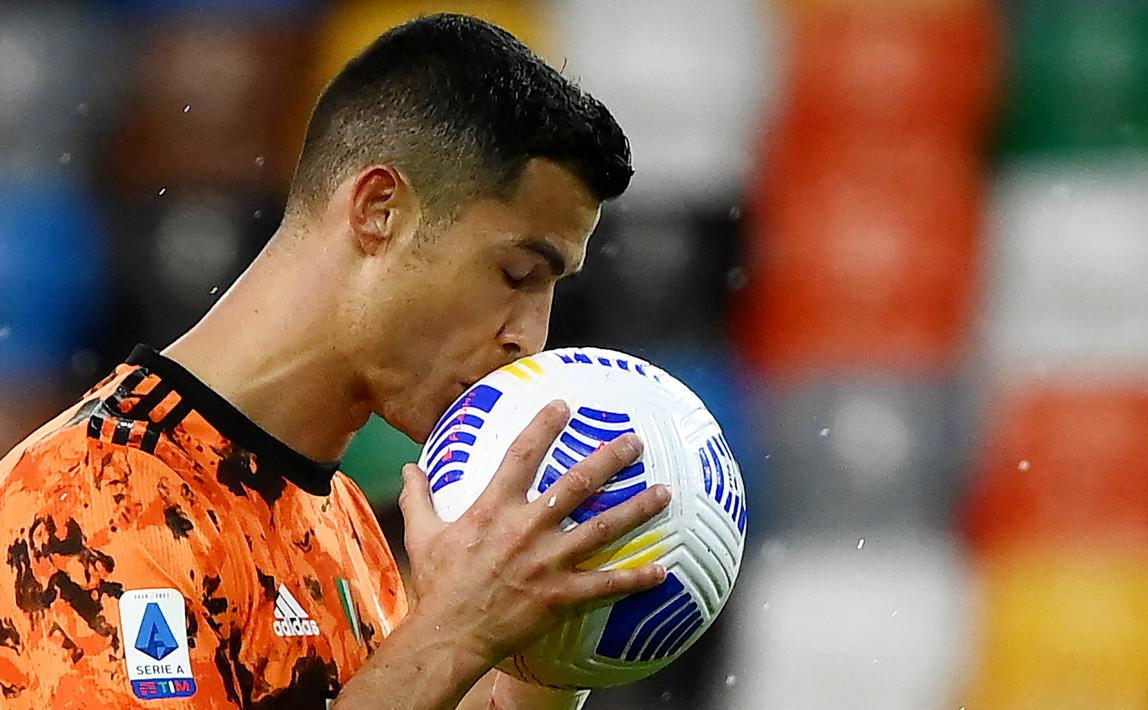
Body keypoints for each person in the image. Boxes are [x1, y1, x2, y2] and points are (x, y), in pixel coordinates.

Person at [0, 13, 671, 710]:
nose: (528, 339)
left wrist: (546, 662)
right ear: (379, 210)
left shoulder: (345, 524)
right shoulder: (89, 501)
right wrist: (452, 636)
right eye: (516, 273)